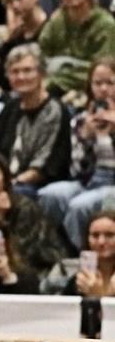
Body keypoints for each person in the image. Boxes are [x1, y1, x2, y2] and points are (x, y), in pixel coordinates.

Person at [38, 57, 115, 248]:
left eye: (110, 83)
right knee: (50, 194)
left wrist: (107, 137)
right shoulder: (80, 120)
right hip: (87, 181)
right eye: (98, 83)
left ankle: (85, 255)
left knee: (79, 206)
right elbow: (76, 171)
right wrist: (87, 137)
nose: (103, 89)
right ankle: (55, 251)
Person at [0, 45, 72, 194]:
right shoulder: (10, 108)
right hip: (6, 180)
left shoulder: (55, 110)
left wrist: (12, 182)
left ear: (41, 74)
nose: (21, 77)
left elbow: (48, 165)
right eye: (15, 72)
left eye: (27, 70)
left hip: (37, 185)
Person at [41, 0, 115, 94]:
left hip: (91, 92)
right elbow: (41, 56)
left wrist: (60, 76)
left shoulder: (105, 25)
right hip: (53, 88)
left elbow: (103, 71)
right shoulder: (56, 21)